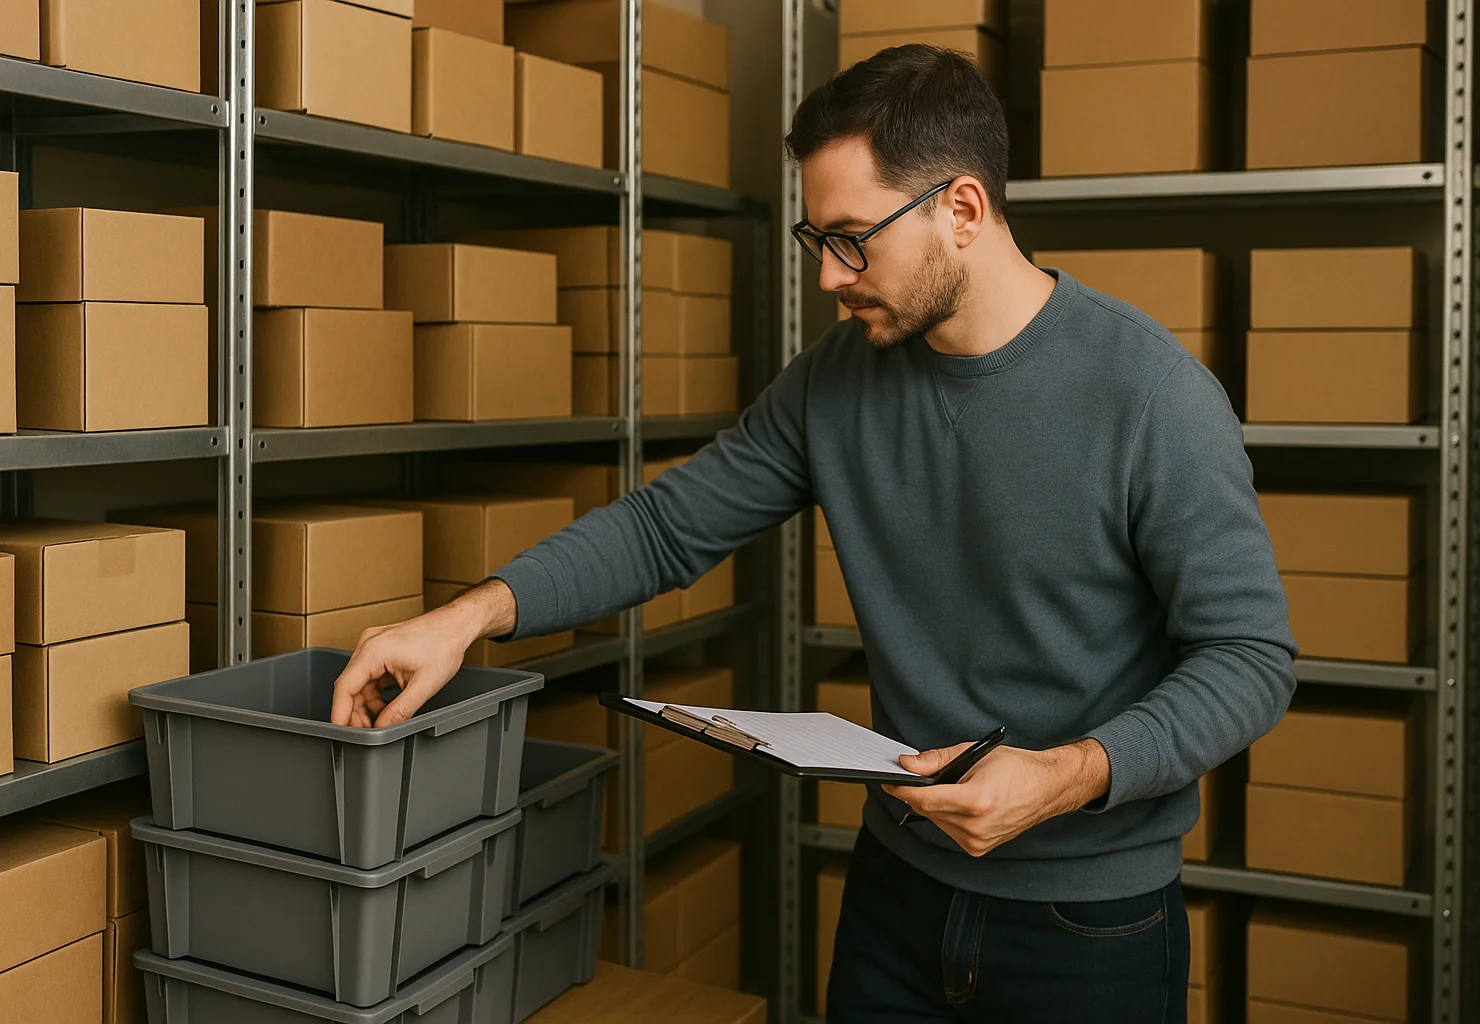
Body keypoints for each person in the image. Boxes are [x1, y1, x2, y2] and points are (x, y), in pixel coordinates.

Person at [330, 44, 1296, 1023]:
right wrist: (466, 619)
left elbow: (1250, 657)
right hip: (895, 894)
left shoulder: (1153, 396)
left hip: (1090, 926)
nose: (830, 275)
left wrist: (1065, 775)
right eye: (816, 239)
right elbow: (667, 528)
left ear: (963, 210)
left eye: (852, 239)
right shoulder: (837, 379)